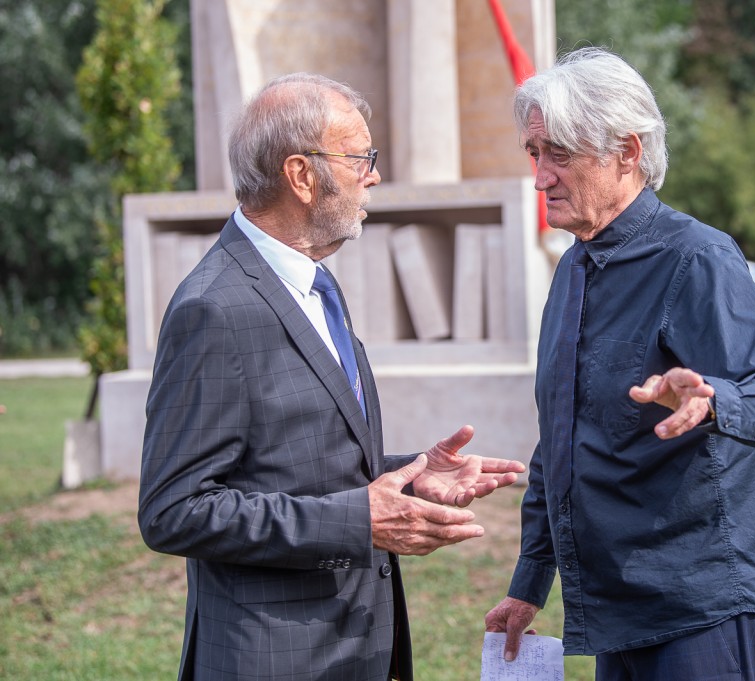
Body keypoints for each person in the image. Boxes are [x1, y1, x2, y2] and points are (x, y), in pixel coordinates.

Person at [138, 72, 526, 681]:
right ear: (301, 175)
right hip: (274, 660)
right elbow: (174, 509)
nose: (374, 175)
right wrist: (358, 521)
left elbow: (296, 462)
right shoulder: (213, 309)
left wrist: (411, 476)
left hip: (354, 649)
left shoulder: (315, 282)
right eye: (360, 158)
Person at [484, 48, 755, 680]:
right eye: (534, 153)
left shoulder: (697, 257)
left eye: (560, 154)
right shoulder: (572, 268)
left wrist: (712, 400)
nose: (540, 178)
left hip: (703, 608)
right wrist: (530, 581)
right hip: (619, 610)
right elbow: (561, 440)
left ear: (627, 152)